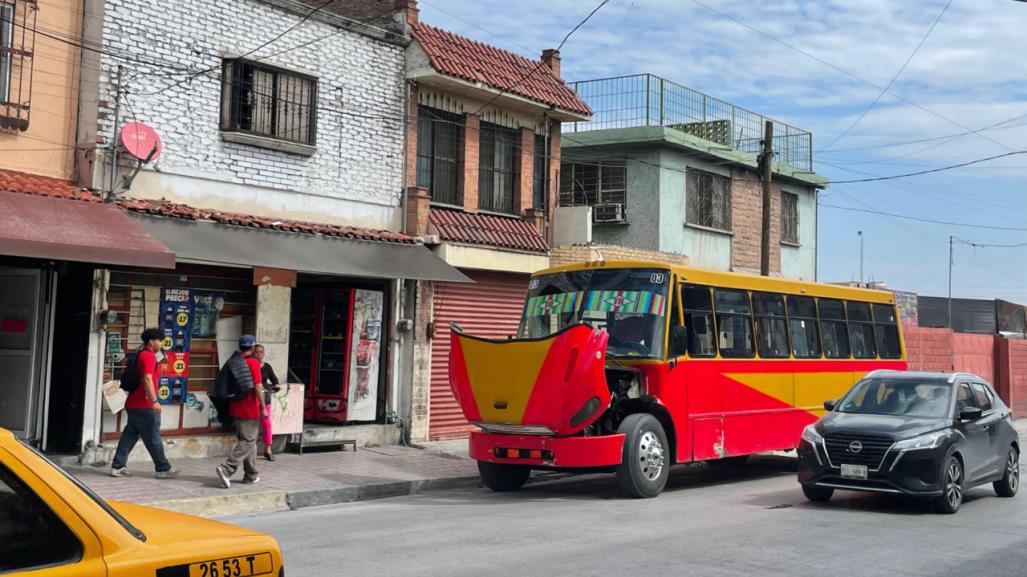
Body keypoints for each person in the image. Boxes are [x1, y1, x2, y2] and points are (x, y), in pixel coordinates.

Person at [111, 328, 179, 479]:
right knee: (153, 437)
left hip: (133, 403)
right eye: (159, 340)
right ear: (151, 341)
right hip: (145, 404)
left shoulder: (141, 354)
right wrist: (154, 401)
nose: (161, 343)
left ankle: (118, 466)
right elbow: (148, 379)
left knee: (129, 436)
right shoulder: (148, 356)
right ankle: (163, 468)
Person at [215, 335, 266, 488]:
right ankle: (227, 468)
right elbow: (258, 386)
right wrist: (263, 407)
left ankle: (251, 474)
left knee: (248, 441)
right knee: (248, 441)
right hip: (249, 408)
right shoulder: (253, 363)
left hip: (234, 407)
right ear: (252, 348)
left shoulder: (233, 362)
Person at [253, 344, 281, 461]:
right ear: (253, 353)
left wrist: (273, 388)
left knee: (266, 424)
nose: (259, 354)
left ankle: (268, 449)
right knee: (252, 424)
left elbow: (276, 381)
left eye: (261, 352)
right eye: (257, 352)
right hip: (252, 398)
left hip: (265, 398)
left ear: (264, 353)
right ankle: (251, 450)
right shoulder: (250, 365)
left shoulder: (267, 367)